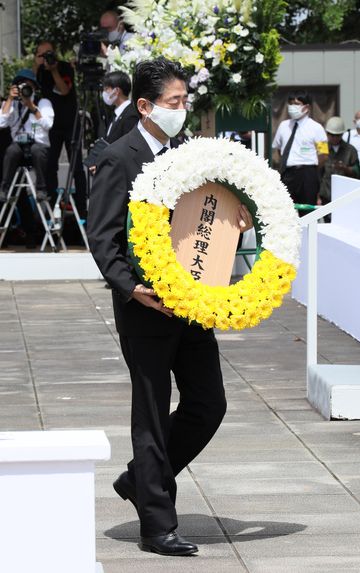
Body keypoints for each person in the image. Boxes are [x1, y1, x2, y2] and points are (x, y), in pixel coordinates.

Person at [87, 57, 253, 556]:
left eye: (185, 101)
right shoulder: (120, 156)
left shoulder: (191, 155)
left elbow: (205, 219)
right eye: (174, 102)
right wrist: (130, 287)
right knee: (152, 410)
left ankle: (142, 480)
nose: (182, 110)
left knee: (208, 404)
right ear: (145, 106)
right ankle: (157, 524)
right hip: (146, 306)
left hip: (191, 302)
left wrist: (234, 220)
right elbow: (102, 237)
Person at [33, 41, 87, 217]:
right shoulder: (39, 72)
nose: (46, 58)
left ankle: (81, 209)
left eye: (49, 54)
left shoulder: (64, 67)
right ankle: (52, 209)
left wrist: (54, 69)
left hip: (70, 123)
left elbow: (64, 90)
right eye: (42, 55)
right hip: (52, 126)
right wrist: (36, 65)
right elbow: (31, 89)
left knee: (76, 167)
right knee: (50, 166)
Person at [0, 68, 54, 204]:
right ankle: (4, 189)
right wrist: (10, 99)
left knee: (37, 150)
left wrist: (32, 107)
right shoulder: (13, 104)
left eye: (28, 86)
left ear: (34, 87)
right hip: (18, 145)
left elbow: (48, 124)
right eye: (22, 85)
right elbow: (1, 123)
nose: (25, 89)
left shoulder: (43, 102)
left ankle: (41, 189)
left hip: (38, 145)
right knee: (11, 151)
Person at [272, 91, 329, 214]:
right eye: (291, 103)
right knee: (284, 210)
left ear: (307, 107)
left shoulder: (316, 127)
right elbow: (279, 149)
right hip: (287, 173)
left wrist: (311, 168)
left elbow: (324, 154)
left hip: (307, 174)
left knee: (307, 212)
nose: (293, 107)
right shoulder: (283, 125)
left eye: (297, 104)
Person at [319, 116, 359, 221]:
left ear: (342, 134)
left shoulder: (350, 150)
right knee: (328, 223)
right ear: (327, 134)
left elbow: (357, 171)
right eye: (331, 135)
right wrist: (317, 196)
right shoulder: (321, 147)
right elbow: (316, 172)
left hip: (344, 196)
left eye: (337, 135)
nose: (334, 138)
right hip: (326, 195)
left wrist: (346, 169)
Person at [102, 71, 138, 144]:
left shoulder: (131, 115)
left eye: (106, 89)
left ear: (117, 91)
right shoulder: (116, 114)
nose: (104, 93)